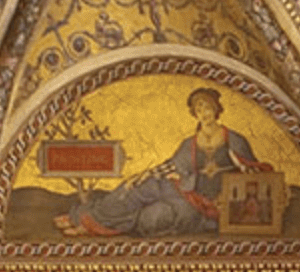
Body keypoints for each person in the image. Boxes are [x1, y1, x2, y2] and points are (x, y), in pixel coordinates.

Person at [57, 88, 272, 237]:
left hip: (204, 208)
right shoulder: (191, 142)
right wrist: (144, 174)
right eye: (199, 110)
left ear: (216, 109)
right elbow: (173, 166)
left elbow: (253, 174)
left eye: (208, 108)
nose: (204, 113)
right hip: (184, 191)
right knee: (137, 186)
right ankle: (85, 219)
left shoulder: (233, 139)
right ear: (194, 114)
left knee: (149, 220)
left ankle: (98, 224)